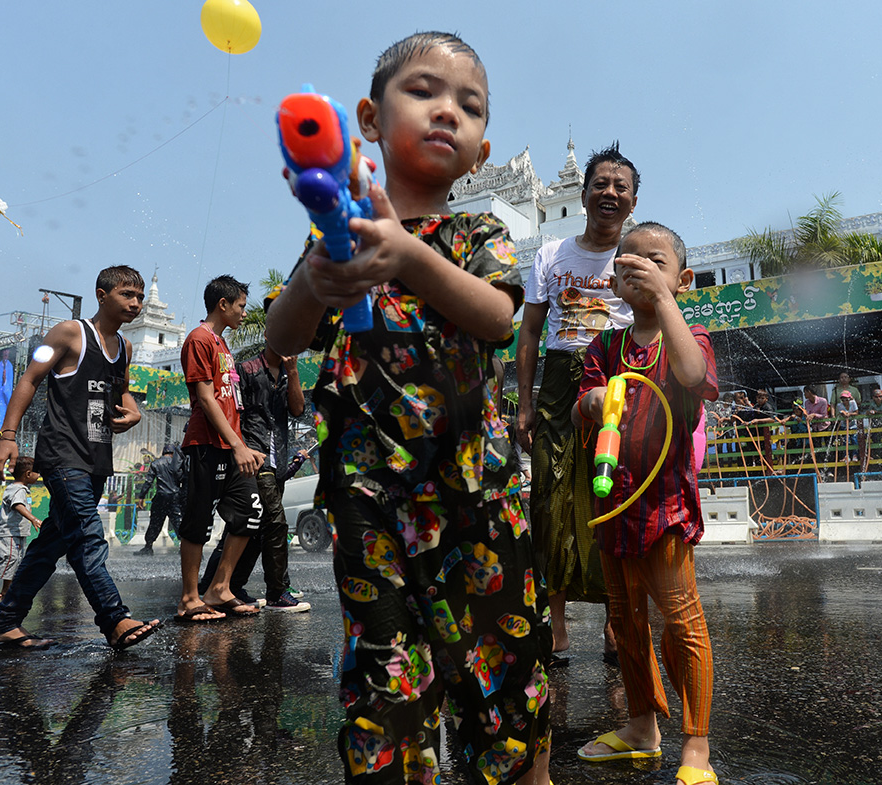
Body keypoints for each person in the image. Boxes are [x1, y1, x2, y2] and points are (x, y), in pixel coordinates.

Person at [264, 32, 552, 785]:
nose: (447, 111)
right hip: (368, 493)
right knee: (385, 670)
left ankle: (522, 769)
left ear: (483, 153)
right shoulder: (339, 234)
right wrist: (317, 274)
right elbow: (281, 336)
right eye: (423, 91)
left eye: (470, 105)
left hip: (473, 486)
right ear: (366, 118)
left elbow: (497, 315)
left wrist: (410, 255)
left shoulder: (475, 233)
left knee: (501, 664)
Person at [573, 222, 718, 785]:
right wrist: (590, 403)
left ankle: (697, 746)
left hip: (665, 510)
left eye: (654, 261)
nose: (637, 267)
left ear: (681, 278)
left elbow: (692, 375)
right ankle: (640, 727)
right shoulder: (604, 346)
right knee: (625, 620)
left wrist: (662, 299)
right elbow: (583, 405)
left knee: (683, 622)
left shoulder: (691, 336)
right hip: (613, 508)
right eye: (627, 259)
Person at [0, 266, 160, 651]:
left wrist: (132, 411)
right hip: (62, 453)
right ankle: (115, 620)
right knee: (86, 534)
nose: (135, 303)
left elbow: (123, 392)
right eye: (127, 295)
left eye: (140, 297)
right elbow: (29, 378)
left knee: (51, 544)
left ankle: (4, 623)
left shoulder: (124, 349)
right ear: (101, 295)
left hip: (96, 457)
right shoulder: (68, 333)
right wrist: (8, 436)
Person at [515, 142, 637, 664]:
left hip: (621, 377)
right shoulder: (550, 254)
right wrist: (524, 404)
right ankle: (556, 623)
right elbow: (530, 334)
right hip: (561, 383)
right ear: (582, 195)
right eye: (600, 185)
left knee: (614, 498)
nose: (610, 193)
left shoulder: (639, 255)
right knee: (548, 498)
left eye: (621, 187)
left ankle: (616, 621)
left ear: (633, 201)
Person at [176, 275, 264, 623]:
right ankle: (189, 598)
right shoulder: (200, 339)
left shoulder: (222, 344)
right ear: (223, 305)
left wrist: (242, 445)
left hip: (231, 445)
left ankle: (220, 588)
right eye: (241, 306)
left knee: (251, 511)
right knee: (198, 519)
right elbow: (205, 399)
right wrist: (238, 445)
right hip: (205, 444)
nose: (244, 313)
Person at [198, 334, 308, 612]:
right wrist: (239, 450)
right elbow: (233, 413)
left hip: (277, 461)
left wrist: (293, 372)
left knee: (250, 527)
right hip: (253, 458)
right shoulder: (246, 370)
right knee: (275, 523)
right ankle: (277, 592)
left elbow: (297, 409)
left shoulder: (287, 374)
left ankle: (221, 585)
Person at [0, 454, 42, 598]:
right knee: (9, 558)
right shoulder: (18, 490)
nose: (39, 475)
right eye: (37, 472)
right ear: (28, 474)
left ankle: (6, 588)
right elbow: (18, 505)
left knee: (15, 559)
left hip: (18, 532)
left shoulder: (22, 489)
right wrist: (33, 519)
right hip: (9, 532)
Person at [136, 444, 185, 555]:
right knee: (179, 522)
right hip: (175, 498)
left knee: (155, 522)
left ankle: (148, 547)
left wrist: (141, 497)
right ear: (173, 453)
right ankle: (184, 547)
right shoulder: (177, 463)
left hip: (160, 497)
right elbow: (183, 479)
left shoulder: (155, 464)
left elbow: (148, 481)